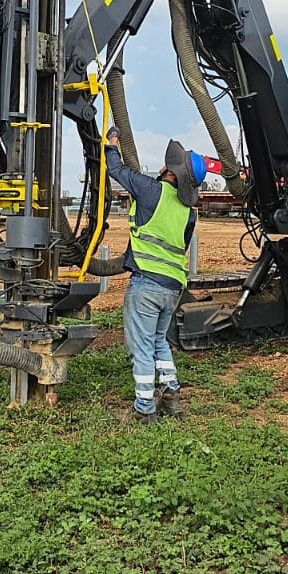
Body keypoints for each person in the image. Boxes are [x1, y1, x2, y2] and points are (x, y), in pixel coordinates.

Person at [104, 125, 202, 424]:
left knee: (142, 347)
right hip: (173, 287)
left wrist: (111, 144)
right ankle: (171, 396)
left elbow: (117, 170)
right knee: (159, 341)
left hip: (146, 284)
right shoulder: (189, 212)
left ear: (171, 172)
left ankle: (144, 409)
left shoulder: (151, 190)